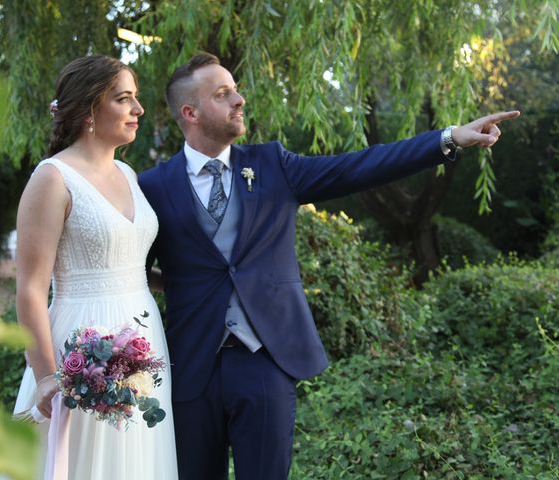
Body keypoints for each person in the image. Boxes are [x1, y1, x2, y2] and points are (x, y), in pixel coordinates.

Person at [137, 52, 519, 480]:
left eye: (236, 90)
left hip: (265, 359)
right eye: (223, 94)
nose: (239, 100)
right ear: (189, 112)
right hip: (190, 366)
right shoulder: (151, 186)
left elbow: (359, 166)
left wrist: (447, 138)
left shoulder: (272, 165)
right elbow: (130, 270)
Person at [7, 55, 178, 480]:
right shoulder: (53, 178)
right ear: (88, 109)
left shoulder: (127, 172)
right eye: (124, 99)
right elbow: (29, 289)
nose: (138, 110)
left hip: (143, 339)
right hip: (82, 347)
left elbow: (127, 261)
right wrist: (46, 375)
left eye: (136, 99)